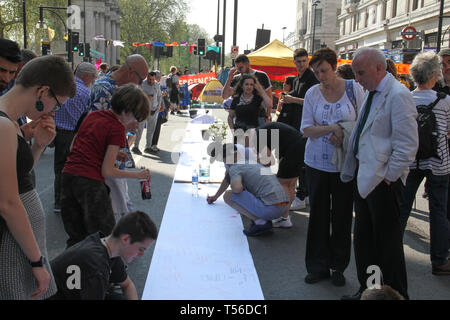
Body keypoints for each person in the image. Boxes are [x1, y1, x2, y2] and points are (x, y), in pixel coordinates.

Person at [340, 47, 418, 300]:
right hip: (366, 179)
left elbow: (407, 145)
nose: (357, 79)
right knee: (365, 244)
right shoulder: (372, 92)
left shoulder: (398, 95)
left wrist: (388, 177)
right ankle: (370, 293)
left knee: (387, 248)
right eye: (354, 73)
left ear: (379, 68)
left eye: (360, 73)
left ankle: (397, 295)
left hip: (383, 183)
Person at [0, 55, 76, 299]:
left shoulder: (11, 122)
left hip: (21, 241)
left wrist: (38, 146)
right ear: (43, 91)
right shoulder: (3, 125)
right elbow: (8, 203)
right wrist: (37, 261)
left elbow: (18, 178)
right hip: (13, 244)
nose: (54, 110)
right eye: (57, 103)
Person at [300, 48, 364, 287]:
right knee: (317, 215)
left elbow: (361, 123)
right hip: (316, 163)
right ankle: (317, 266)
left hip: (344, 164)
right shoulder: (312, 94)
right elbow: (306, 129)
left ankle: (338, 266)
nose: (320, 76)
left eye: (324, 71)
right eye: (316, 72)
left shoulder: (353, 89)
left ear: (334, 67)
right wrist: (333, 128)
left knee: (342, 216)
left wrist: (344, 132)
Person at [61, 84, 150, 248]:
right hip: (90, 184)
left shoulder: (93, 116)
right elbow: (108, 171)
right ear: (125, 112)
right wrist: (138, 174)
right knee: (105, 238)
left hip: (68, 176)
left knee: (76, 236)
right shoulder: (116, 128)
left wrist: (114, 153)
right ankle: (111, 272)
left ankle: (70, 271)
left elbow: (76, 147)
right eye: (135, 117)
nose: (135, 122)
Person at [399, 51, 450, 275]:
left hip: (410, 160)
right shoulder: (445, 101)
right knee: (439, 211)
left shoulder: (405, 98)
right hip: (438, 162)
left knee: (402, 207)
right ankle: (439, 260)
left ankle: (391, 252)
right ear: (434, 74)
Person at [89, 54, 149, 218]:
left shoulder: (114, 87)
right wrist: (125, 127)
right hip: (103, 165)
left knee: (123, 206)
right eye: (140, 79)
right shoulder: (104, 89)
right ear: (130, 72)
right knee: (118, 211)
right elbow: (99, 130)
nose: (141, 84)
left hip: (112, 158)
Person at [49, 211, 158, 300]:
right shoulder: (96, 267)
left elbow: (128, 285)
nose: (141, 254)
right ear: (125, 239)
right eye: (141, 249)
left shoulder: (108, 248)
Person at [206, 144, 289, 237]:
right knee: (249, 189)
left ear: (225, 159)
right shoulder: (251, 162)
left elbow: (237, 189)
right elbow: (227, 180)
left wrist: (234, 184)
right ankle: (263, 218)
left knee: (228, 196)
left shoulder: (235, 168)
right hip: (283, 207)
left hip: (271, 209)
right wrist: (215, 196)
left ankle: (261, 222)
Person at [53, 62, 98, 214]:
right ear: (86, 76)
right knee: (75, 169)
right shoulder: (86, 93)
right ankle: (71, 201)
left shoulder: (63, 87)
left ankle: (58, 202)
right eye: (93, 77)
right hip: (76, 134)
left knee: (59, 170)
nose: (93, 80)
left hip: (59, 132)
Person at [280, 48, 320, 211]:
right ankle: (306, 193)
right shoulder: (297, 78)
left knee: (301, 160)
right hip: (296, 123)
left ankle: (302, 194)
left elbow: (313, 101)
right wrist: (286, 97)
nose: (302, 64)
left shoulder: (312, 78)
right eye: (299, 61)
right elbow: (296, 95)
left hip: (306, 124)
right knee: (301, 159)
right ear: (294, 61)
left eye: (304, 61)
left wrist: (292, 99)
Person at [249, 122, 306, 229]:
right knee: (290, 185)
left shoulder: (255, 135)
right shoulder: (263, 129)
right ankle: (285, 217)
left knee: (283, 184)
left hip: (293, 150)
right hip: (301, 146)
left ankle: (283, 218)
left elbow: (268, 161)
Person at [222, 54, 272, 124]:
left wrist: (268, 115)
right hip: (241, 117)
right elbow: (225, 96)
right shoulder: (236, 78)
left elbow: (269, 97)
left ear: (247, 64)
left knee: (263, 135)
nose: (239, 70)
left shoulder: (262, 76)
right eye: (237, 68)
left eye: (241, 67)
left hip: (259, 116)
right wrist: (229, 78)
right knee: (241, 134)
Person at [132, 71, 162, 155]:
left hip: (153, 110)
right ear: (147, 77)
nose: (151, 81)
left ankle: (148, 147)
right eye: (149, 79)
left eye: (153, 79)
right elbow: (136, 96)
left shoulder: (157, 85)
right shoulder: (142, 84)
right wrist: (145, 96)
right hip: (143, 110)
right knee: (140, 129)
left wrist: (158, 107)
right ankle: (136, 146)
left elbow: (159, 96)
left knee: (151, 130)